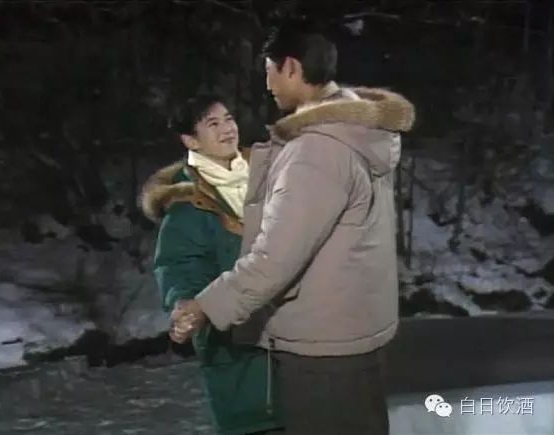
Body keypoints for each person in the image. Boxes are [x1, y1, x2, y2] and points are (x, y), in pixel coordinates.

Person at [169, 21, 415, 435]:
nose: (267, 85)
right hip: (356, 331)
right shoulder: (356, 131)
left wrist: (204, 306)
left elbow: (274, 259)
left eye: (269, 71)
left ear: (291, 68)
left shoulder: (315, 151)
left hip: (321, 348)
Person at [140, 94, 283, 435]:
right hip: (239, 351)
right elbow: (179, 265)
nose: (227, 129)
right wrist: (186, 306)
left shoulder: (272, 174)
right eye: (213, 124)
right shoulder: (187, 204)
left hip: (298, 338)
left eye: (229, 119)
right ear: (191, 140)